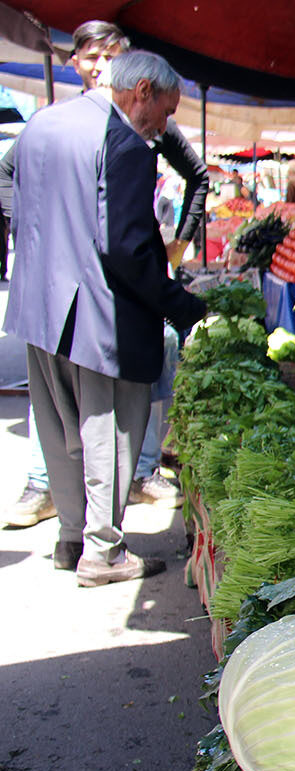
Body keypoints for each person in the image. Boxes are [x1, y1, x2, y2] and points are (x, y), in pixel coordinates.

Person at [4, 49, 207, 585]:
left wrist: (33, 238)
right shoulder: (123, 144)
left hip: (39, 306)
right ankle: (104, 552)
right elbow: (128, 250)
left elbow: (7, 179)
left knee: (56, 426)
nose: (164, 127)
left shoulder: (43, 123)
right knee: (110, 432)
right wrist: (181, 305)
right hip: (97, 316)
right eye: (164, 112)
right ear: (140, 90)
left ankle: (72, 539)